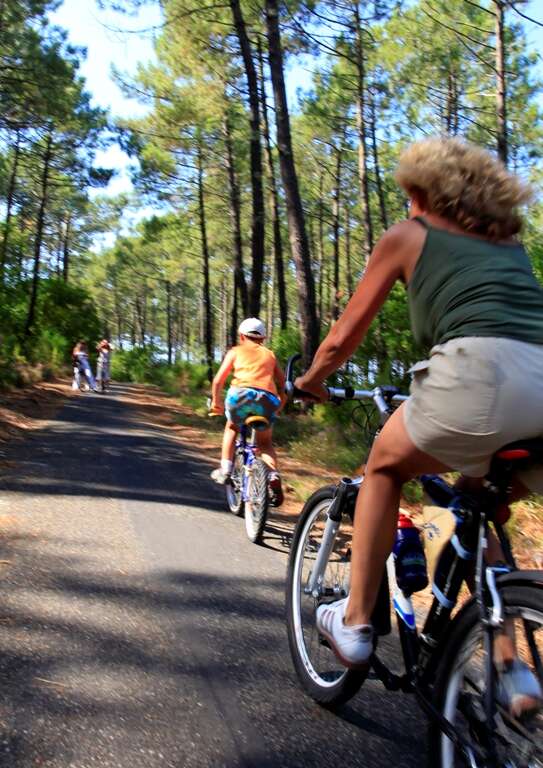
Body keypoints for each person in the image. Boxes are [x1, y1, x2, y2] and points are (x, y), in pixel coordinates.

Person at [295, 137, 542, 713]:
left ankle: (355, 623)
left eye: (411, 197)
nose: (407, 209)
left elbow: (342, 338)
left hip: (476, 379)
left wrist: (311, 381)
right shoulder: (510, 245)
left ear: (427, 194)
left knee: (383, 465)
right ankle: (512, 670)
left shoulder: (408, 237)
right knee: (478, 507)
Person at [210, 317, 287, 506]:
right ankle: (273, 475)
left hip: (240, 396)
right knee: (265, 443)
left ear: (242, 336)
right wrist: (280, 406)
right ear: (263, 338)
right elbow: (284, 384)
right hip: (267, 399)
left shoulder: (235, 351)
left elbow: (218, 381)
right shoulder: (270, 354)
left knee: (232, 428)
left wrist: (216, 403)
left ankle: (226, 469)